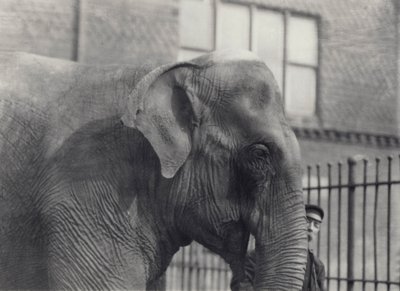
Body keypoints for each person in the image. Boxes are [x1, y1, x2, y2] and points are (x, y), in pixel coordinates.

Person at [231, 204, 326, 291]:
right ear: (294, 222)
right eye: (307, 221)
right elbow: (241, 285)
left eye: (316, 225)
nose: (311, 228)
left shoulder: (317, 266)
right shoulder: (258, 256)